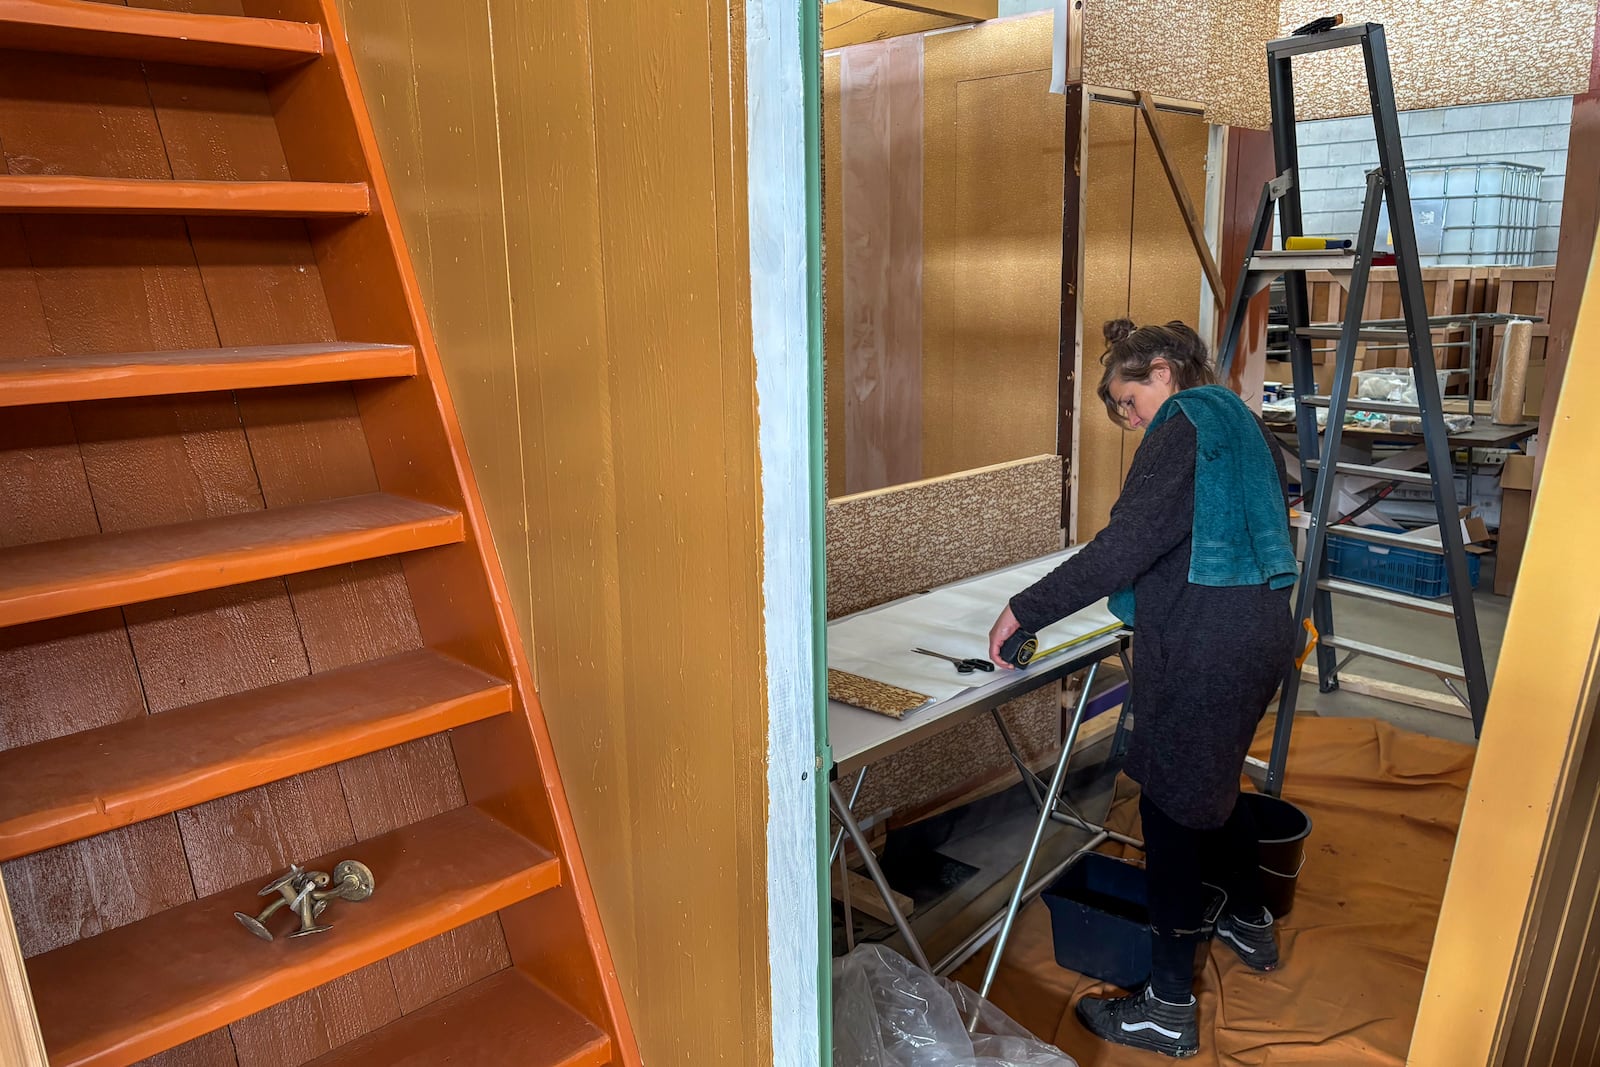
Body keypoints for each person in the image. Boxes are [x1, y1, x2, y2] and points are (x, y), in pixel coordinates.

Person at [987, 318, 1298, 1060]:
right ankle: (1250, 921)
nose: (1131, 422)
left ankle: (1166, 1007)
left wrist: (1022, 610)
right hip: (1259, 630)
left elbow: (1124, 544)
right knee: (1209, 782)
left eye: (1130, 403)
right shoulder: (1240, 420)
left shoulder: (1187, 419)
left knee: (1167, 807)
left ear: (1163, 371)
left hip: (1205, 644)